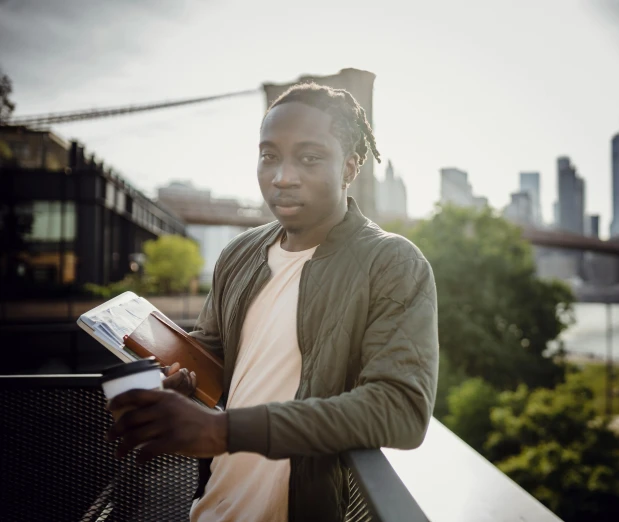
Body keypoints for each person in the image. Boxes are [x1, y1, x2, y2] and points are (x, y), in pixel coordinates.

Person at [105, 82, 439, 522]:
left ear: (351, 167)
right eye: (269, 156)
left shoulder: (392, 262)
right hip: (210, 507)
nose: (282, 177)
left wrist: (221, 430)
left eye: (309, 157)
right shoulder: (239, 253)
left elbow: (401, 409)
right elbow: (216, 354)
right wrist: (180, 380)